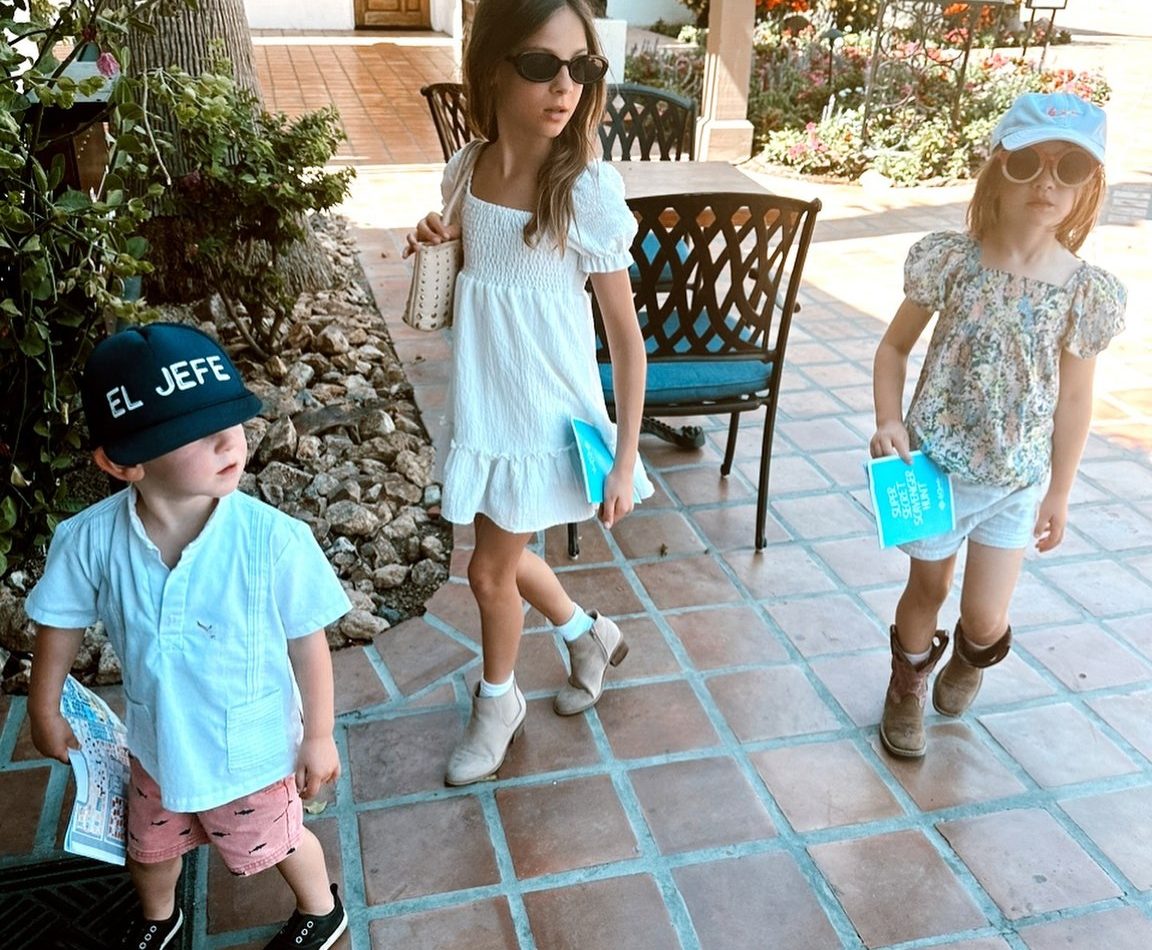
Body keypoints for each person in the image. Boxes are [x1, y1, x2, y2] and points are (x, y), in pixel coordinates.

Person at [25, 323, 352, 950]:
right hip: (158, 746)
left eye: (231, 420)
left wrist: (318, 733)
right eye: (195, 434)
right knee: (148, 849)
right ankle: (159, 917)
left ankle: (320, 909)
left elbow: (307, 643)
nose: (229, 441)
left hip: (251, 754)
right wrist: (44, 706)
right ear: (123, 462)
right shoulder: (91, 541)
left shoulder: (273, 541)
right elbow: (59, 622)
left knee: (279, 841)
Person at [404, 0, 653, 787]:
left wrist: (624, 457)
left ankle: (498, 703)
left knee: (487, 572)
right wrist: (438, 233)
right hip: (487, 401)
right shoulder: (467, 169)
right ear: (492, 68)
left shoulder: (584, 189)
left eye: (582, 67)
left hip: (544, 413)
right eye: (542, 65)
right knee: (499, 557)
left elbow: (626, 338)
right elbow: (475, 268)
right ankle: (588, 636)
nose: (565, 86)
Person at [869, 91, 1127, 759]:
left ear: (1088, 185)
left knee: (985, 618)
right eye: (1028, 162)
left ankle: (969, 656)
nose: (1047, 181)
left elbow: (1075, 399)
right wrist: (889, 420)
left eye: (1070, 167)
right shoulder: (953, 263)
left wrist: (1060, 490)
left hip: (1014, 480)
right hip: (932, 466)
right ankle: (906, 685)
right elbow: (893, 348)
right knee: (927, 587)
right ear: (997, 170)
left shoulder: (1083, 292)